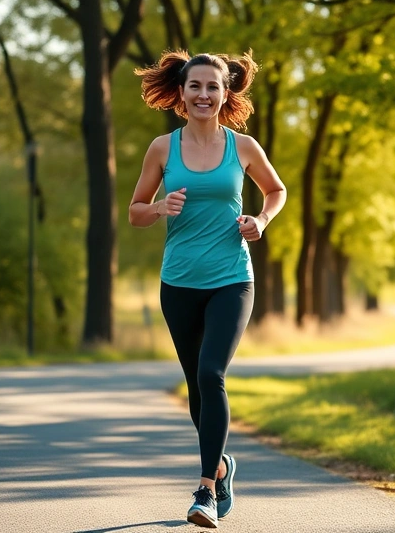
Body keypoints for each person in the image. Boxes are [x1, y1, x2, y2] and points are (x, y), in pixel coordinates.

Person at [128, 49, 286, 528]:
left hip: (232, 279)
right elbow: (135, 211)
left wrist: (260, 219)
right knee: (197, 383)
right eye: (194, 86)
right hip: (178, 282)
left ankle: (205, 490)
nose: (203, 94)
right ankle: (222, 463)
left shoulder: (243, 147)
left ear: (225, 93)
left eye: (212, 87)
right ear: (181, 93)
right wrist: (160, 208)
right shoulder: (162, 148)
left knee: (211, 373)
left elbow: (276, 191)